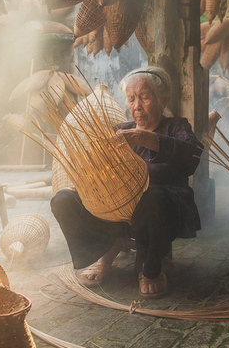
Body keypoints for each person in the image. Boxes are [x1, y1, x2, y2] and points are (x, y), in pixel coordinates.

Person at [51, 66, 203, 298]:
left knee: (155, 196)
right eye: (131, 99)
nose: (137, 106)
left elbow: (192, 156)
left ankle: (151, 268)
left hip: (161, 211)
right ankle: (104, 252)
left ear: (163, 99)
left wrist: (143, 137)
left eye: (144, 97)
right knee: (63, 199)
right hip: (115, 211)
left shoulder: (177, 127)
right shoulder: (120, 131)